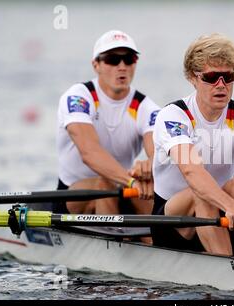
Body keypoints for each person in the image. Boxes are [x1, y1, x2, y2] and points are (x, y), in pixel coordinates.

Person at [151, 33, 234, 256]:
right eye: (212, 77)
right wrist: (231, 206)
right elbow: (192, 172)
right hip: (173, 222)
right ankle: (227, 266)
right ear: (193, 78)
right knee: (200, 191)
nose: (220, 85)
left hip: (225, 214)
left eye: (228, 77)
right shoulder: (174, 116)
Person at [55, 30, 160, 227]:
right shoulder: (78, 97)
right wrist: (130, 182)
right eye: (112, 59)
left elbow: (157, 152)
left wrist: (149, 166)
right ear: (96, 65)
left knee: (150, 187)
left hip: (124, 188)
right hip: (74, 194)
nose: (122, 67)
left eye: (128, 59)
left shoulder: (146, 107)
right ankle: (115, 245)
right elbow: (90, 153)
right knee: (106, 182)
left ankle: (155, 246)